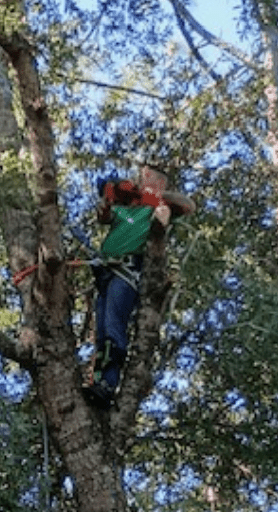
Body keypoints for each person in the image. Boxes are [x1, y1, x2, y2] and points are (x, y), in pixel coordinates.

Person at [83, 167, 193, 409]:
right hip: (105, 275)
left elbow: (188, 205)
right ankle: (99, 383)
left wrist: (151, 196)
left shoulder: (152, 209)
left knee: (113, 328)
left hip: (127, 273)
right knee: (101, 334)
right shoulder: (119, 211)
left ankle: (108, 385)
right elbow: (104, 216)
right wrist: (105, 206)